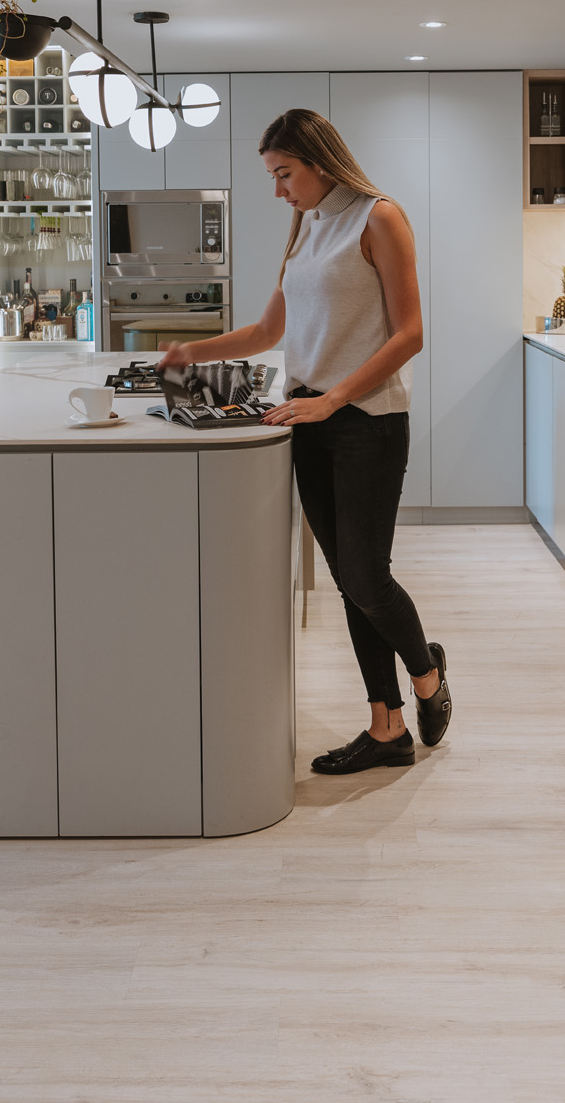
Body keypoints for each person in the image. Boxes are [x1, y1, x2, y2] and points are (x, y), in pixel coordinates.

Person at [158, 108, 452, 773]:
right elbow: (268, 332)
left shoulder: (379, 217)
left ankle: (427, 674)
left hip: (367, 420)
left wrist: (333, 399)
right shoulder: (308, 226)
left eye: (284, 174)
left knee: (367, 578)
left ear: (319, 162)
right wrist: (186, 352)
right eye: (273, 176)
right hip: (307, 418)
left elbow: (410, 334)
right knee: (349, 582)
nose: (278, 190)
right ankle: (387, 729)